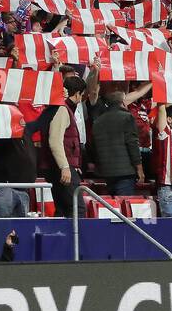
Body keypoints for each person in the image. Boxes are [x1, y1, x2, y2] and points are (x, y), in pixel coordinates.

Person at [41, 76, 88, 217]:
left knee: (63, 210)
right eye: (82, 95)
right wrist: (65, 167)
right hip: (62, 168)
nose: (81, 99)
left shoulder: (62, 108)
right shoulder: (62, 109)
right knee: (77, 208)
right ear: (77, 93)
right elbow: (55, 141)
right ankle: (76, 239)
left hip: (61, 167)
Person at [91, 89, 144, 196]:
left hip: (106, 172)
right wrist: (140, 169)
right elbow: (132, 144)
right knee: (123, 208)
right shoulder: (127, 117)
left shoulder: (97, 121)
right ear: (123, 102)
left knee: (113, 207)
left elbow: (93, 147)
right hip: (126, 173)